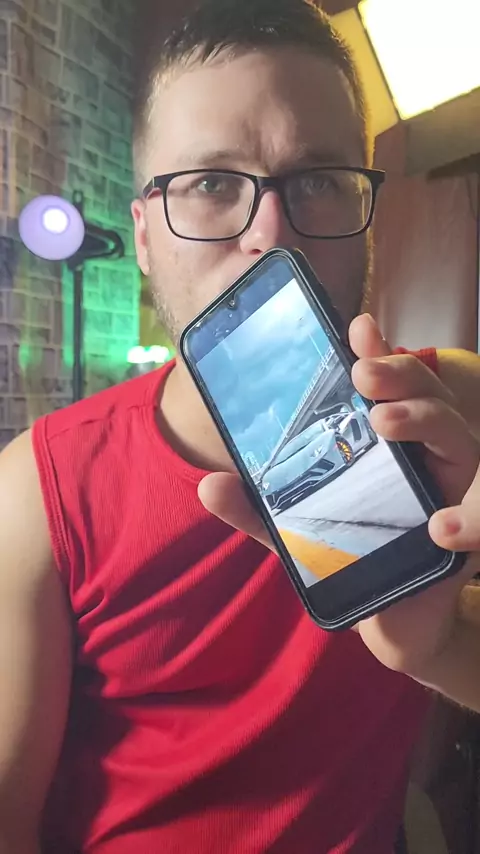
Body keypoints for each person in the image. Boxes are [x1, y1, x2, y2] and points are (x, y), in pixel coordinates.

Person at [1, 1, 479, 852]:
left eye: (319, 180)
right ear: (144, 236)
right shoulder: (37, 492)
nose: (272, 234)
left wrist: (438, 647)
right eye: (212, 184)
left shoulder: (452, 410)